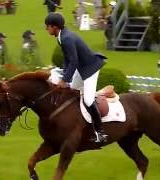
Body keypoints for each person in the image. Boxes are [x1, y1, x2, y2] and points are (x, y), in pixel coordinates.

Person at [45, 12, 108, 143]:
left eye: (48, 26)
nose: (47, 29)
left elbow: (73, 60)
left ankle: (100, 132)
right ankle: (78, 122)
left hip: (90, 68)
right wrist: (64, 74)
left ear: (55, 27)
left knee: (88, 100)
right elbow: (68, 59)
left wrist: (64, 80)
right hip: (81, 67)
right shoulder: (61, 36)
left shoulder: (66, 38)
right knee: (72, 90)